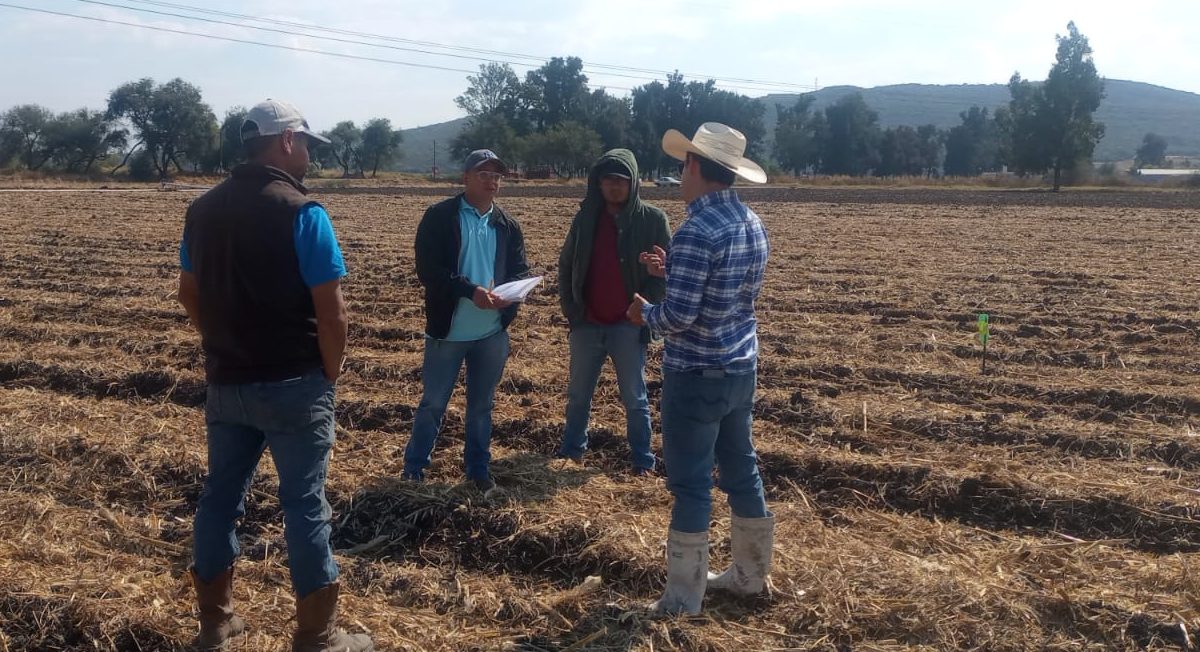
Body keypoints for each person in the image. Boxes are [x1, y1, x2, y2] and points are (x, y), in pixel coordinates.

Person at [178, 99, 372, 651]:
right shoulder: (302, 212)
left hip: (227, 382)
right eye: (307, 144)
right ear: (286, 141)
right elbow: (332, 311)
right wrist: (330, 370)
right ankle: (317, 634)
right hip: (294, 384)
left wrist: (221, 342)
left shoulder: (202, 210)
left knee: (219, 499)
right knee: (305, 504)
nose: (309, 155)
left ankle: (215, 623)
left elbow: (187, 292)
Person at [627, 122, 775, 616]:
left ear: (694, 166)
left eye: (683, 164)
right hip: (739, 369)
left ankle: (683, 597)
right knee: (742, 470)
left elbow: (678, 317)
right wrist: (675, 271)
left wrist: (642, 312)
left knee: (691, 485)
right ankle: (749, 577)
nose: (680, 174)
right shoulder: (750, 222)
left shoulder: (695, 229)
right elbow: (729, 292)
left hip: (695, 375)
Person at [404, 149, 530, 494]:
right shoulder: (440, 216)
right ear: (466, 179)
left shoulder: (507, 225)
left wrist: (514, 294)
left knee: (481, 407)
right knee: (433, 404)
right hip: (449, 332)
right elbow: (428, 270)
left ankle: (477, 470)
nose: (491, 182)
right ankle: (414, 469)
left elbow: (518, 269)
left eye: (496, 176)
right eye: (484, 175)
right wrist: (470, 291)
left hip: (491, 334)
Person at [556, 149, 671, 475]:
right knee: (578, 395)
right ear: (599, 183)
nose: (614, 186)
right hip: (587, 324)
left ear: (633, 183)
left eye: (621, 180)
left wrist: (643, 311)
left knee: (635, 399)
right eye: (608, 180)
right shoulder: (586, 217)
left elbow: (666, 275)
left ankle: (642, 462)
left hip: (628, 326)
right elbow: (566, 264)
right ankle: (572, 454)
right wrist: (572, 310)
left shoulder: (653, 220)